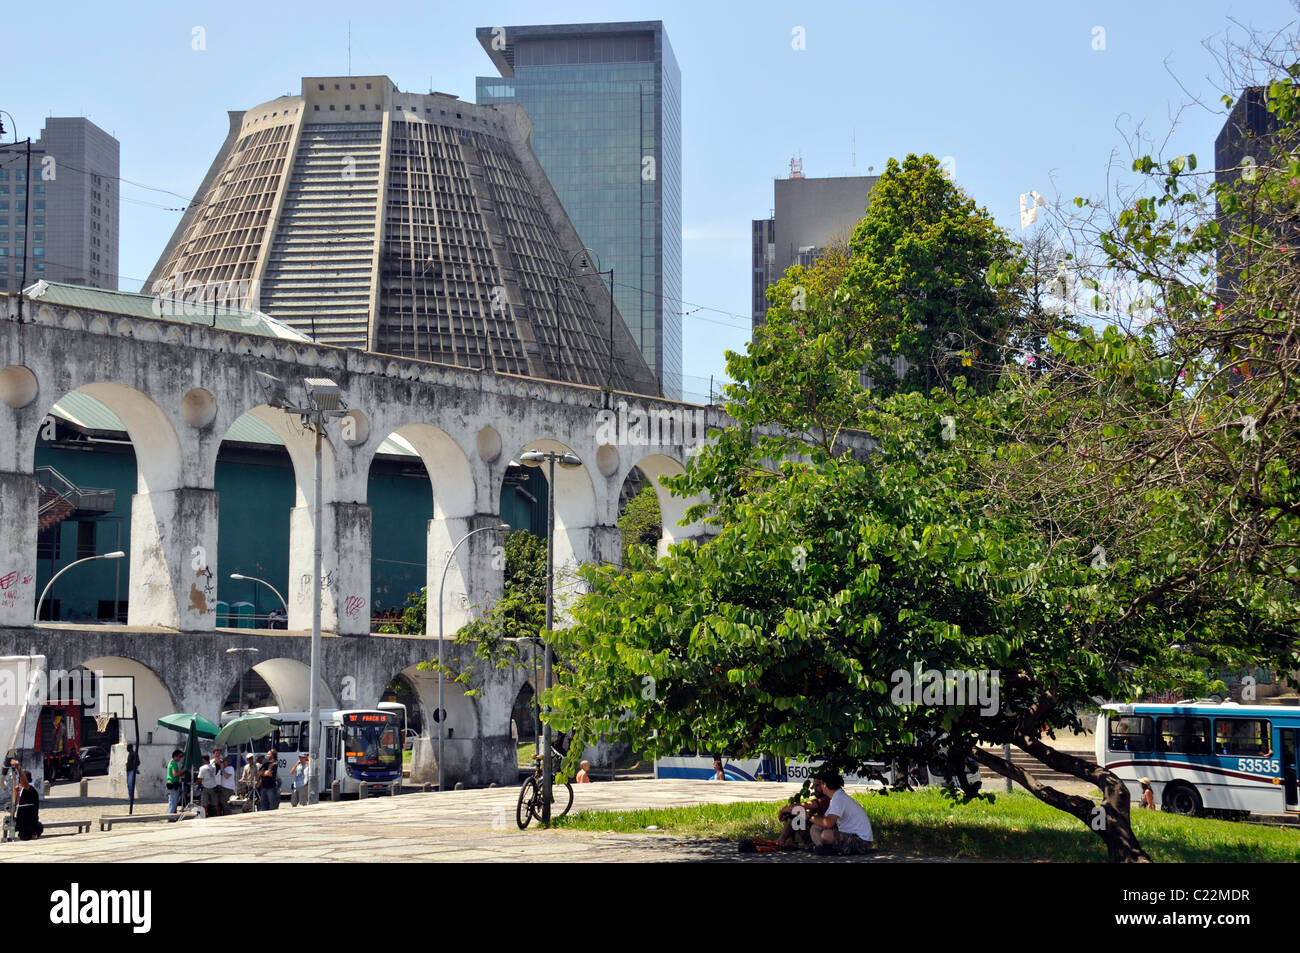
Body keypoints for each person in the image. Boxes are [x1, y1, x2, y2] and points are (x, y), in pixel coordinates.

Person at [808, 768, 874, 856]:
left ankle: (825, 849)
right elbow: (823, 820)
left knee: (826, 835)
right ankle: (822, 849)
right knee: (815, 827)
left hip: (862, 842)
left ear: (825, 785)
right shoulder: (836, 798)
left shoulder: (839, 798)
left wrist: (809, 816)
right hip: (851, 837)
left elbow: (828, 823)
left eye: (820, 783)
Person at [777, 776, 832, 849]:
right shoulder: (822, 800)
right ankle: (789, 840)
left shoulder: (825, 799)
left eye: (818, 785)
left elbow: (802, 806)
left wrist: (782, 810)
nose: (815, 788)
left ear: (824, 785)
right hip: (820, 830)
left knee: (797, 814)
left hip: (822, 833)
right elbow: (808, 811)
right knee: (795, 813)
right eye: (814, 785)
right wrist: (789, 813)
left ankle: (781, 840)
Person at [11, 762, 42, 841]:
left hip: (29, 824)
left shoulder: (30, 789)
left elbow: (25, 783)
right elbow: (16, 802)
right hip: (22, 823)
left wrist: (18, 768)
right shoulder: (23, 790)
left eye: (21, 779)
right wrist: (16, 792)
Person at [165, 749, 184, 815]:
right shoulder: (174, 763)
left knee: (171, 802)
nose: (180, 758)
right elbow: (175, 774)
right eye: (179, 756)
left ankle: (169, 816)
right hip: (174, 784)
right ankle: (170, 817)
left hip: (171, 784)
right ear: (175, 756)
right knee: (174, 802)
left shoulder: (171, 762)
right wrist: (183, 770)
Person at [125, 744, 141, 814]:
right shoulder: (130, 754)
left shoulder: (134, 754)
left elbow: (138, 762)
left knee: (130, 783)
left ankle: (131, 796)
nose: (126, 749)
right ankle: (130, 795)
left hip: (132, 770)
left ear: (129, 748)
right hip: (129, 770)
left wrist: (134, 767)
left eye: (127, 748)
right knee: (128, 784)